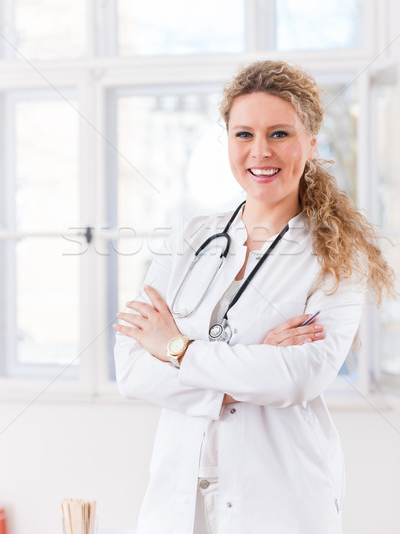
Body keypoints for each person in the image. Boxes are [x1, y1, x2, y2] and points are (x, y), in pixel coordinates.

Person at [113, 60, 395, 534]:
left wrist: (177, 349)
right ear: (227, 141)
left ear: (310, 143)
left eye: (279, 134)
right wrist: (253, 364)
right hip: (179, 502)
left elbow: (299, 377)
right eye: (244, 134)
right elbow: (131, 368)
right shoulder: (190, 239)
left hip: (283, 500)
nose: (260, 151)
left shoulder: (338, 257)